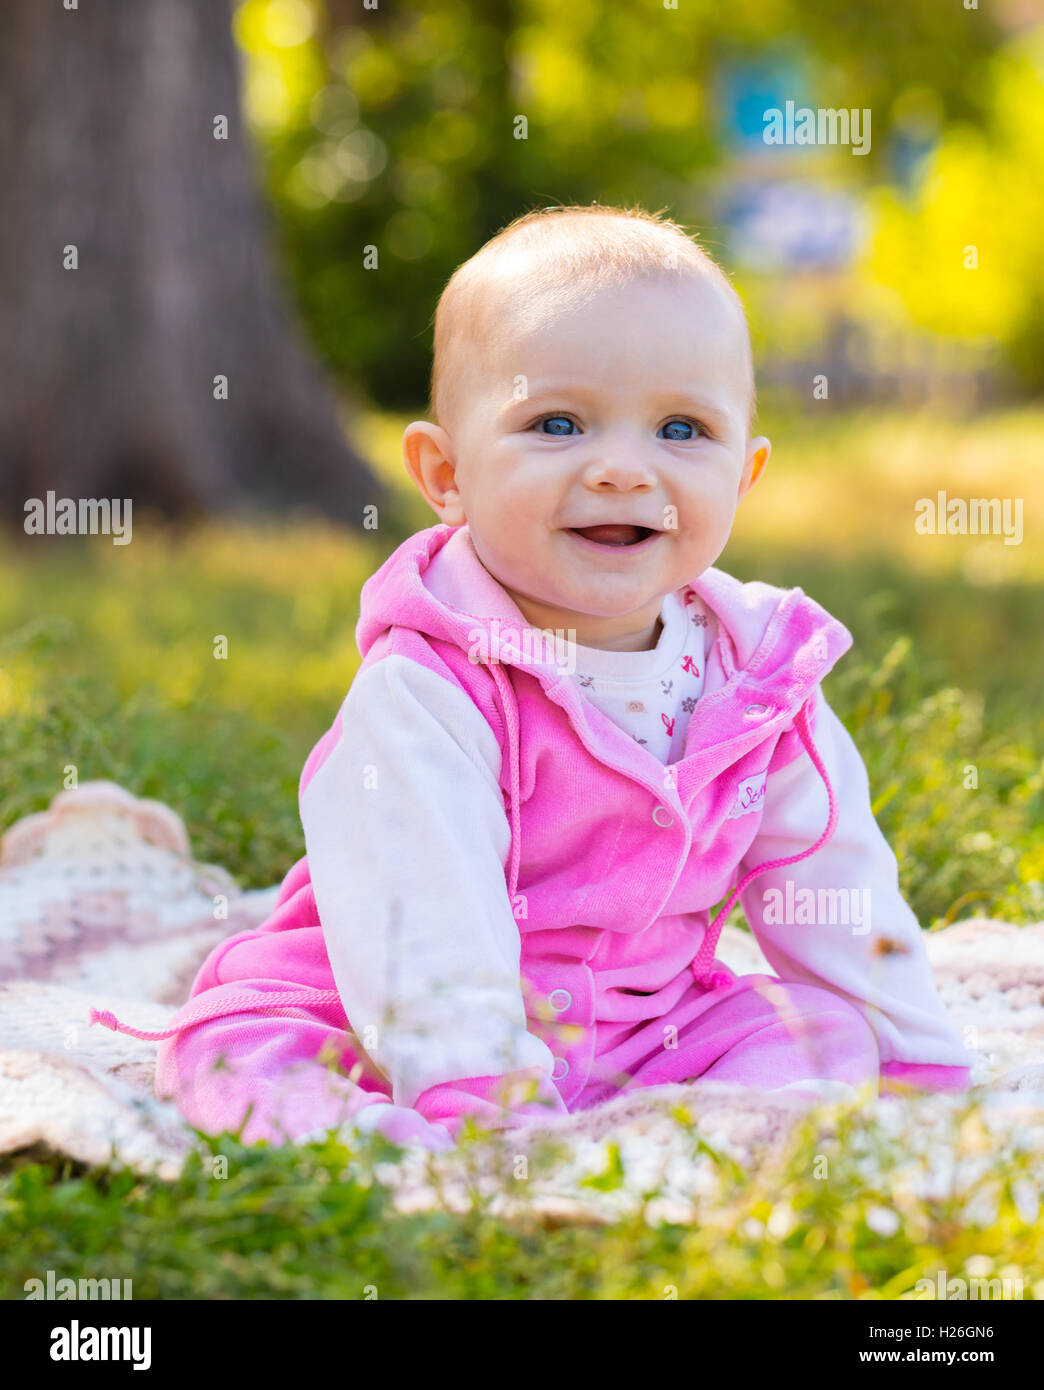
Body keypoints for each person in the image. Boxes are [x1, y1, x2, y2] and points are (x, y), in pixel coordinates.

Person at [91, 204, 975, 1151]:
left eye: (683, 428)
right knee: (248, 1061)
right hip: (381, 1011)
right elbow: (416, 917)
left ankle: (681, 1143)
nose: (623, 470)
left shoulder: (758, 678)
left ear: (746, 475)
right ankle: (420, 1154)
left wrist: (911, 1061)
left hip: (650, 1028)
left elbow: (833, 883)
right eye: (557, 423)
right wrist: (482, 1097)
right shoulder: (429, 689)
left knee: (829, 1040)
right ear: (446, 471)